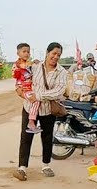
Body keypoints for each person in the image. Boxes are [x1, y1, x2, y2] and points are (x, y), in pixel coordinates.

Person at [15, 42, 69, 181]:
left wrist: (39, 96)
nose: (55, 57)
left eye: (58, 55)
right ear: (47, 53)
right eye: (53, 53)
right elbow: (22, 75)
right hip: (29, 107)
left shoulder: (62, 72)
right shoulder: (35, 67)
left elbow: (58, 91)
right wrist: (19, 88)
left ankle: (46, 165)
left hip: (47, 110)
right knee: (26, 137)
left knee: (47, 137)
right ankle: (22, 168)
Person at [12, 43, 39, 134]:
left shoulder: (29, 63)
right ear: (18, 53)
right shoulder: (16, 64)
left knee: (36, 101)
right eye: (24, 51)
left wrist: (35, 63)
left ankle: (32, 122)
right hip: (22, 88)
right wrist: (20, 68)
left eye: (28, 52)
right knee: (35, 101)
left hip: (29, 88)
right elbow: (14, 75)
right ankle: (31, 122)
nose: (26, 53)